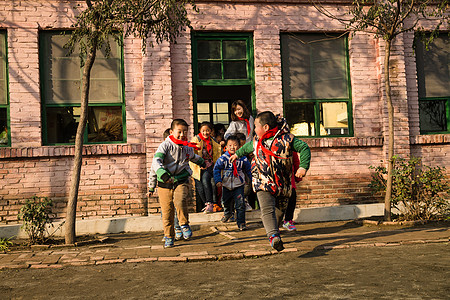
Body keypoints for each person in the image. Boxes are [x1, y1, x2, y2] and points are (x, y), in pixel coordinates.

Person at [230, 111, 311, 251]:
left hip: (283, 184)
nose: (254, 129)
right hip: (262, 180)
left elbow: (304, 148)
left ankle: (275, 230)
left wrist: (303, 167)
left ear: (266, 127)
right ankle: (273, 237)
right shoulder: (256, 141)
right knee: (267, 209)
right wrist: (237, 154)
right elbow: (246, 148)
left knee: (279, 212)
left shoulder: (287, 139)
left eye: (255, 126)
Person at [151, 119, 205, 248]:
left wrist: (203, 162)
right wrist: (158, 178)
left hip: (181, 179)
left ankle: (184, 224)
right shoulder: (165, 145)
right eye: (179, 132)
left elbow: (192, 157)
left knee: (180, 201)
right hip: (165, 182)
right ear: (171, 131)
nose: (182, 134)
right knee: (167, 212)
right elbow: (156, 161)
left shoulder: (187, 147)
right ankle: (169, 236)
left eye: (185, 132)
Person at [149, 128, 184, 241]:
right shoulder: (159, 159)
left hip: (176, 186)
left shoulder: (177, 157)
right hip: (164, 187)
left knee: (177, 207)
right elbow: (153, 173)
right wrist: (151, 187)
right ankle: (168, 233)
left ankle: (178, 229)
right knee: (166, 212)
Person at [213, 135, 252, 231]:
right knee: (225, 201)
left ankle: (241, 222)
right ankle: (227, 213)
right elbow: (216, 169)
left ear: (239, 147)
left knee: (240, 204)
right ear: (226, 147)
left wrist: (252, 180)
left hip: (238, 185)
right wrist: (218, 180)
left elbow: (249, 170)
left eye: (235, 145)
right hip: (226, 185)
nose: (232, 147)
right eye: (230, 145)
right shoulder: (223, 158)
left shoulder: (243, 159)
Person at [190, 121, 222, 213]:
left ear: (211, 131)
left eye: (207, 130)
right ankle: (207, 204)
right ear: (200, 130)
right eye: (203, 131)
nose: (205, 133)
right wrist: (199, 163)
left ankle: (210, 203)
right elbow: (192, 153)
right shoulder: (196, 140)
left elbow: (217, 153)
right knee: (199, 187)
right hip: (197, 167)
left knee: (206, 181)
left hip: (209, 166)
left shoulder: (213, 141)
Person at [282, 152, 301, 231]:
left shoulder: (291, 148)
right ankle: (274, 224)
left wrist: (298, 177)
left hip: (289, 179)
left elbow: (296, 163)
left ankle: (288, 220)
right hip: (274, 180)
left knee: (292, 198)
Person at [236, 132, 253, 212]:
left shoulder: (246, 156)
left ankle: (245, 202)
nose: (242, 148)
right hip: (235, 176)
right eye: (240, 146)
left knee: (246, 187)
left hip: (245, 175)